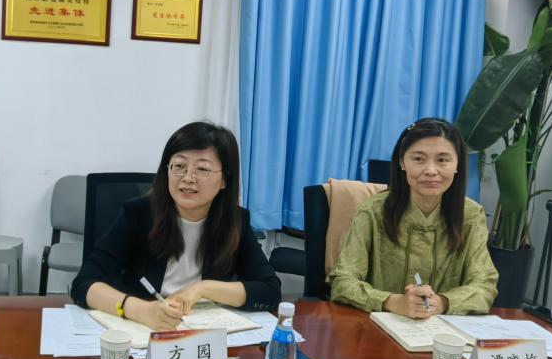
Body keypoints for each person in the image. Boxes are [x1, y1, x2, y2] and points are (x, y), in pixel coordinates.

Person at [71, 121, 280, 331]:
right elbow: (84, 284)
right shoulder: (138, 215)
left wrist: (203, 289)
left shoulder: (235, 221)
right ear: (167, 170)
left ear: (224, 179)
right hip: (141, 328)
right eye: (179, 166)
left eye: (202, 169)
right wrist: (139, 310)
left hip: (203, 332)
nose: (188, 178)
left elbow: (270, 290)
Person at [330, 117, 498, 317]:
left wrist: (443, 302)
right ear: (402, 162)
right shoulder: (373, 211)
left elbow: (485, 284)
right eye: (418, 159)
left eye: (442, 160)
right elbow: (342, 280)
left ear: (457, 164)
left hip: (443, 329)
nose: (431, 171)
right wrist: (392, 302)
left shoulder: (470, 215)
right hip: (377, 326)